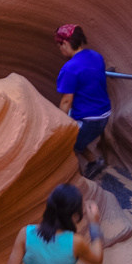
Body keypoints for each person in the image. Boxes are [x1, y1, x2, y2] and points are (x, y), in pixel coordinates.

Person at [54, 23, 111, 178]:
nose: (60, 49)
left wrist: (59, 126)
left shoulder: (70, 68)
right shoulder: (96, 56)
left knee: (67, 142)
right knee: (79, 139)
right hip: (104, 113)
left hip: (89, 119)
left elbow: (67, 101)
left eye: (59, 45)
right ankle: (94, 161)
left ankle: (91, 164)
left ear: (65, 43)